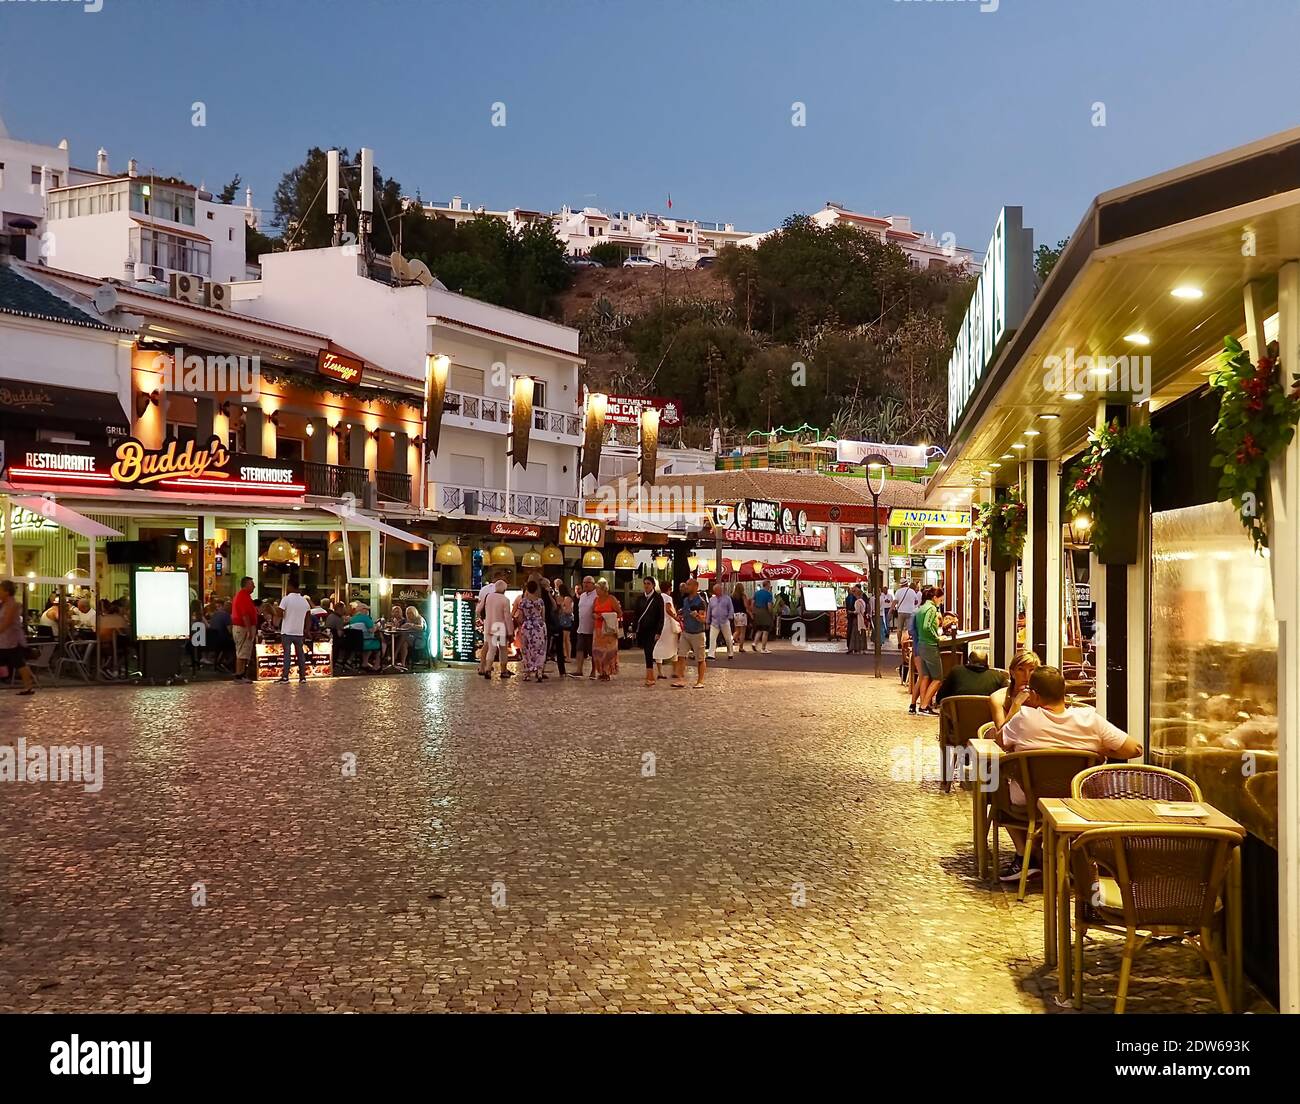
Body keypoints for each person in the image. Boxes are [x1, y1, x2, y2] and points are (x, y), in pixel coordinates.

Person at [996, 666, 1142, 882]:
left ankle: (1024, 853)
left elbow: (1000, 740)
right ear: (1064, 692)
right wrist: (1101, 750)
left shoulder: (1024, 719)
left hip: (1029, 800)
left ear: (1034, 695)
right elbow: (1134, 749)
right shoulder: (1090, 720)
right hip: (1077, 800)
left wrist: (1016, 705)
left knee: (994, 784)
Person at [933, 645, 1008, 704]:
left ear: (969, 661)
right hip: (987, 720)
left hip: (958, 719)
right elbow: (1007, 699)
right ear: (987, 663)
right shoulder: (998, 676)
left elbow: (940, 698)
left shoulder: (956, 672)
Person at [992, 650, 1041, 735]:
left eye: (1031, 670)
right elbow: (1002, 735)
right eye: (1021, 669)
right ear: (1012, 673)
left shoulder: (1043, 697)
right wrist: (1016, 704)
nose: (1026, 675)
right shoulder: (998, 698)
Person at [0, 578, 35, 695]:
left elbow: (7, 622)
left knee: (19, 663)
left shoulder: (13, 604)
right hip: (4, 640)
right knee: (18, 662)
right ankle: (28, 685)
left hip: (11, 639)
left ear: (6, 591)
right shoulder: (3, 604)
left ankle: (28, 686)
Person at [913, 587, 944, 715]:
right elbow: (927, 626)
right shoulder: (931, 608)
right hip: (930, 645)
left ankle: (922, 705)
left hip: (921, 644)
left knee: (925, 676)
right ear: (935, 598)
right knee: (938, 678)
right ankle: (924, 705)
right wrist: (937, 637)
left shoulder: (921, 608)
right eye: (941, 600)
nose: (940, 603)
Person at [674, 579, 708, 689]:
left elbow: (704, 619)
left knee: (700, 658)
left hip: (697, 633)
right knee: (681, 656)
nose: (686, 586)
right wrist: (680, 615)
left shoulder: (701, 602)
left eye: (689, 585)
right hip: (686, 632)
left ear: (695, 586)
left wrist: (697, 616)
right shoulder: (685, 600)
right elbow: (684, 612)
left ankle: (700, 681)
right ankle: (680, 679)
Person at [632, 577, 666, 687]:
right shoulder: (640, 599)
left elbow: (661, 616)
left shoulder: (658, 598)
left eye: (648, 583)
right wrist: (634, 630)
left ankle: (650, 675)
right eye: (645, 583)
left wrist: (658, 631)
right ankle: (649, 673)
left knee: (649, 651)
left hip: (653, 629)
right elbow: (636, 614)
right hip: (643, 629)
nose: (646, 585)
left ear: (653, 585)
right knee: (647, 651)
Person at [277, 578, 311, 683]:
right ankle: (302, 677)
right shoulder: (304, 601)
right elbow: (308, 617)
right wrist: (306, 629)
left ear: (290, 586)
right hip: (299, 632)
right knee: (300, 654)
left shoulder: (286, 599)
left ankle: (285, 676)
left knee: (287, 654)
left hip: (287, 631)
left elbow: (279, 613)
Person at [479, 579, 514, 679]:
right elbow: (507, 617)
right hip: (500, 627)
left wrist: (483, 619)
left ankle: (488, 669)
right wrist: (510, 631)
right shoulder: (505, 600)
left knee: (491, 648)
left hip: (489, 626)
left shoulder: (488, 597)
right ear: (504, 589)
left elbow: (478, 609)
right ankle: (503, 671)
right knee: (503, 649)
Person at [591, 579, 622, 681]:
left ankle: (607, 672)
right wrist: (595, 616)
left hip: (608, 630)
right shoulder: (596, 600)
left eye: (598, 589)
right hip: (598, 629)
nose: (596, 591)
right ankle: (601, 672)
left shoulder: (611, 599)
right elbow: (593, 611)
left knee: (608, 652)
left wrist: (605, 616)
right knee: (598, 652)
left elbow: (619, 612)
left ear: (604, 589)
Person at [518, 579, 549, 681]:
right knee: (540, 649)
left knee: (526, 649)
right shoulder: (540, 601)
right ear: (536, 589)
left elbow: (520, 618)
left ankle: (527, 673)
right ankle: (539, 672)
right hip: (539, 626)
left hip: (527, 626)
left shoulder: (523, 602)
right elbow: (543, 616)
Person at [230, 576, 258, 682]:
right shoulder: (243, 596)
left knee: (243, 651)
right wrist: (249, 630)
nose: (254, 586)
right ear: (246, 585)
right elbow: (245, 614)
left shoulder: (244, 596)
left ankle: (241, 674)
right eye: (252, 584)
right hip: (243, 628)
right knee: (242, 651)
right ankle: (239, 675)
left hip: (243, 627)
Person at [653, 583, 682, 679]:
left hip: (659, 624)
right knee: (674, 647)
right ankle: (674, 671)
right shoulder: (668, 598)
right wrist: (675, 617)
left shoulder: (657, 597)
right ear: (669, 589)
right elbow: (668, 608)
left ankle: (660, 672)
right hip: (668, 625)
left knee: (659, 645)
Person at [575, 575, 598, 679]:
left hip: (592, 628)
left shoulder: (597, 595)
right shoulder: (583, 595)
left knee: (593, 651)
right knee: (579, 649)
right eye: (584, 582)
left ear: (593, 584)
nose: (586, 584)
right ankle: (579, 670)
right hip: (581, 627)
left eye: (588, 582)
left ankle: (593, 671)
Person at [348, 602, 382, 672]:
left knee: (368, 646)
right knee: (382, 644)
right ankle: (376, 666)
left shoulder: (352, 619)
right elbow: (372, 630)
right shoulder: (366, 618)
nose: (367, 611)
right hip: (366, 641)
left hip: (356, 642)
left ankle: (365, 663)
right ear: (362, 610)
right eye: (366, 609)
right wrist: (377, 626)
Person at [706, 582, 735, 660]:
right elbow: (709, 610)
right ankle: (711, 655)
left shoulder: (727, 598)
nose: (718, 591)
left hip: (724, 621)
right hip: (714, 622)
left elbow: (731, 608)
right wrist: (707, 621)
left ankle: (730, 653)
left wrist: (729, 617)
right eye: (716, 590)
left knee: (728, 639)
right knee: (712, 638)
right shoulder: (712, 600)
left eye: (719, 589)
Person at [894, 578, 920, 647]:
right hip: (910, 611)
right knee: (910, 628)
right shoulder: (912, 591)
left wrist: (891, 610)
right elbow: (916, 601)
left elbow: (895, 601)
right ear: (907, 584)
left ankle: (899, 643)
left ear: (901, 585)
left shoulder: (898, 591)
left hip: (901, 612)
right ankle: (909, 643)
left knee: (899, 629)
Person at [554, 580, 576, 664]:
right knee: (566, 639)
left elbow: (568, 610)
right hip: (566, 620)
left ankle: (567, 656)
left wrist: (561, 607)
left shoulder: (566, 598)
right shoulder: (568, 598)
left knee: (565, 639)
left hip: (566, 621)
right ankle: (566, 655)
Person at [751, 580, 774, 653]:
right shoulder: (768, 594)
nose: (770, 586)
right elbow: (769, 606)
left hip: (757, 612)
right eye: (769, 585)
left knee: (759, 629)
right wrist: (771, 613)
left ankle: (754, 643)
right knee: (765, 631)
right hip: (765, 612)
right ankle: (763, 648)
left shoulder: (756, 593)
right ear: (767, 585)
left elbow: (752, 602)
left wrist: (753, 611)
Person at [730, 583, 750, 652]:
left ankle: (730, 641)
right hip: (742, 614)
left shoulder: (732, 596)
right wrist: (750, 613)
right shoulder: (743, 596)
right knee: (742, 632)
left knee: (737, 631)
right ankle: (741, 647)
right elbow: (746, 606)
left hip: (735, 614)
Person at [851, 586, 867, 654]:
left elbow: (857, 611)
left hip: (858, 618)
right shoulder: (863, 601)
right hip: (862, 618)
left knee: (857, 633)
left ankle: (857, 648)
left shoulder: (857, 602)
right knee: (862, 633)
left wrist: (851, 612)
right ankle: (863, 648)